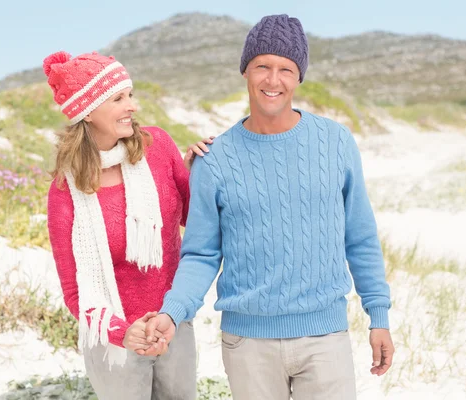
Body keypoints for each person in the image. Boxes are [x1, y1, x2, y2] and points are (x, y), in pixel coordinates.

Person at [143, 14, 395, 400]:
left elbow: (359, 237)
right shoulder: (214, 159)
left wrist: (379, 316)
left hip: (325, 338)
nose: (273, 80)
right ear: (245, 71)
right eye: (262, 66)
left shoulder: (336, 143)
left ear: (298, 78)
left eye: (285, 69)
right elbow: (200, 254)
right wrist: (173, 311)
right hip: (247, 344)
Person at [44, 50, 212, 400]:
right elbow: (75, 292)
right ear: (88, 111)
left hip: (172, 322)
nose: (132, 106)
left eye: (130, 95)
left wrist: (203, 175)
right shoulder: (65, 192)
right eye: (119, 98)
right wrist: (123, 332)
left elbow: (193, 221)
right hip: (113, 340)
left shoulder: (159, 147)